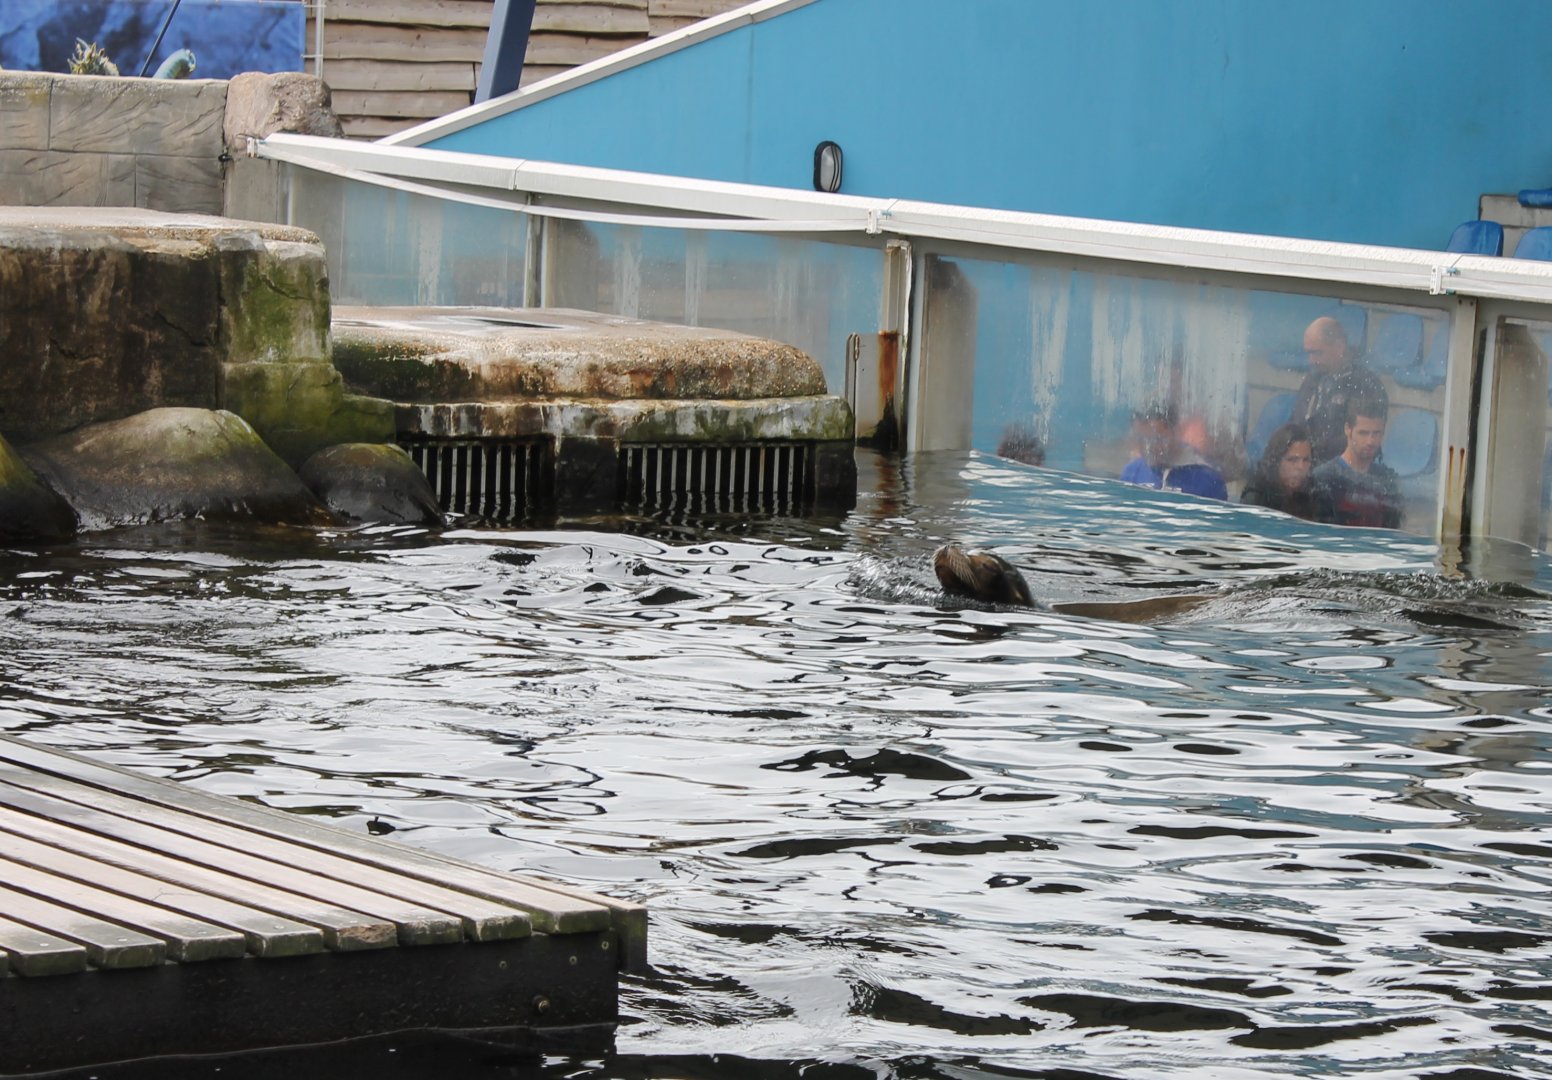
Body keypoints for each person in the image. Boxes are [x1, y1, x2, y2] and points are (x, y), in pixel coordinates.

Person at [1291, 316, 1388, 464]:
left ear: (1339, 347)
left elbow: (1360, 439)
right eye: (1308, 353)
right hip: (1308, 464)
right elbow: (1295, 422)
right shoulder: (1312, 379)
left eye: (1317, 353)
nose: (1311, 360)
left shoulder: (1366, 385)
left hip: (1344, 471)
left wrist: (1310, 450)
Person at [1311, 397, 1402, 529]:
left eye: (1377, 433)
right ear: (1348, 429)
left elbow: (1394, 528)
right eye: (1363, 433)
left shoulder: (1387, 480)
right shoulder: (1324, 478)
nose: (1370, 441)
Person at [1119, 403, 1227, 500]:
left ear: (1177, 433)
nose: (1150, 447)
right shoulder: (1132, 473)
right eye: (1142, 439)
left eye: (1158, 439)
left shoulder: (1207, 479)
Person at [1241, 422, 1331, 521]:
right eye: (1292, 460)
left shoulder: (1317, 494)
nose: (1301, 467)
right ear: (1277, 461)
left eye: (1306, 460)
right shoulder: (1257, 494)